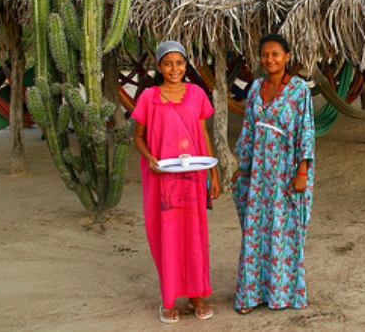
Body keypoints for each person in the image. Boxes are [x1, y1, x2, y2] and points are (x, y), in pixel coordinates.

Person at [132, 40, 220, 323]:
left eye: (179, 63)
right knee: (166, 236)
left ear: (186, 64)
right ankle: (169, 298)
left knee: (194, 236)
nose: (174, 69)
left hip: (193, 178)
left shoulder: (196, 94)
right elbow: (138, 137)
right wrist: (150, 158)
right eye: (168, 63)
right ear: (158, 66)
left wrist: (213, 174)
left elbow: (204, 136)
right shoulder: (148, 97)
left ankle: (197, 295)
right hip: (161, 181)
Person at [231, 33, 315, 314]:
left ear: (287, 57)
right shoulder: (255, 88)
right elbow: (248, 129)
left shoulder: (300, 89)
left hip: (286, 170)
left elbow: (306, 130)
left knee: (283, 230)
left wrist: (302, 170)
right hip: (258, 172)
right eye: (265, 54)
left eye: (276, 54)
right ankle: (251, 295)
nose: (269, 59)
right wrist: (240, 166)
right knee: (256, 231)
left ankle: (283, 294)